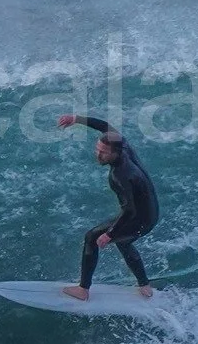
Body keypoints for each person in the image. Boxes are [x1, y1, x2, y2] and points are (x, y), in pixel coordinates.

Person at [55, 113, 159, 299]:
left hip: (140, 219)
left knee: (92, 238)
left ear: (115, 153)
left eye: (103, 152)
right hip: (151, 212)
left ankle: (83, 290)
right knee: (123, 242)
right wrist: (76, 119)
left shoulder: (120, 176)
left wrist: (108, 234)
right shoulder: (123, 145)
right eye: (97, 149)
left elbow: (129, 210)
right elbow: (104, 126)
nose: (98, 154)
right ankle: (144, 285)